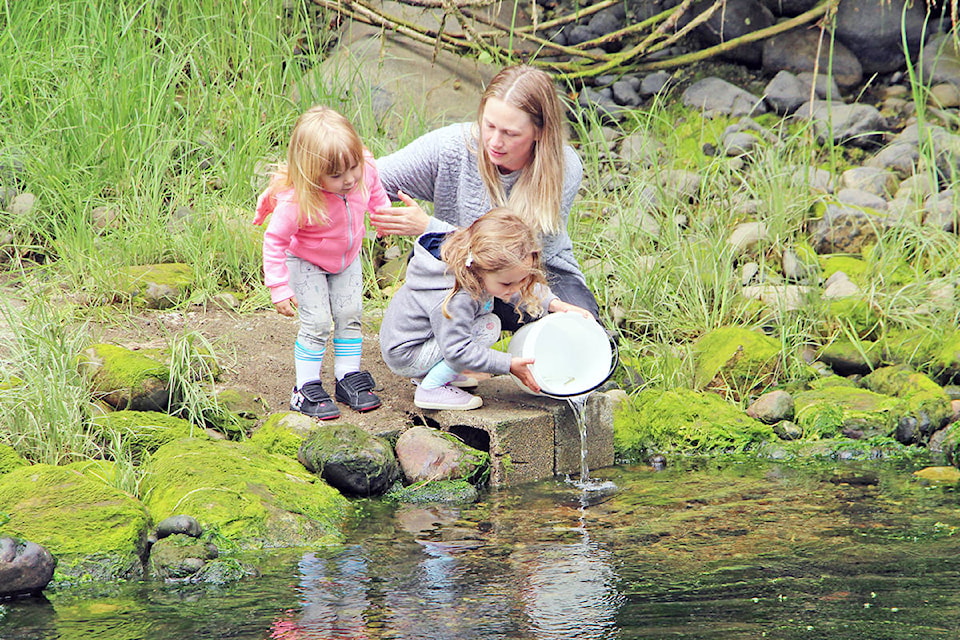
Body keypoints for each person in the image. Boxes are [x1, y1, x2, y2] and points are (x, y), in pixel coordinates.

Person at [369, 64, 601, 331]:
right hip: (456, 268)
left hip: (534, 272)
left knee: (585, 330)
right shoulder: (452, 147)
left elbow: (509, 255)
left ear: (539, 132)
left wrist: (427, 227)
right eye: (489, 125)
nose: (493, 141)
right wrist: (377, 203)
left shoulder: (564, 167)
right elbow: (369, 179)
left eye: (510, 133)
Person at [379, 208, 592, 411]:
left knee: (489, 322)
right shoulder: (456, 297)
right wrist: (508, 364)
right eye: (507, 285)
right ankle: (431, 388)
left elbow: (514, 282)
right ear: (479, 269)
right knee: (488, 327)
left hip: (422, 342)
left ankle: (437, 373)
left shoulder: (474, 268)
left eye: (522, 280)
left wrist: (554, 304)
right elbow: (457, 350)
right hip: (408, 355)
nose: (515, 289)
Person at [254, 105, 388, 420]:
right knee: (316, 322)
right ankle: (305, 388)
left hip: (347, 257)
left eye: (353, 167)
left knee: (351, 313)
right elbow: (274, 241)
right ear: (311, 174)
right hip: (305, 260)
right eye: (336, 175)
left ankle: (346, 377)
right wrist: (278, 286)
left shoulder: (364, 169)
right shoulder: (297, 200)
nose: (349, 179)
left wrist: (382, 219)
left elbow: (376, 192)